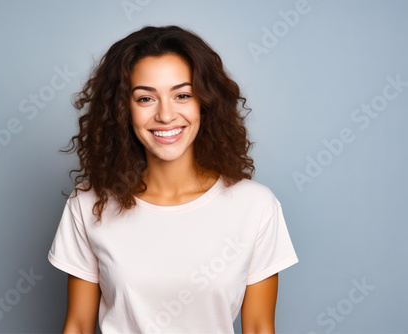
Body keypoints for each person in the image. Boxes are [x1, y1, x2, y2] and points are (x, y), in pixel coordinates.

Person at [48, 25, 298, 334]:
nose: (166, 115)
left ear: (205, 103)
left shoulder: (255, 206)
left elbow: (260, 328)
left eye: (182, 95)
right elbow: (78, 325)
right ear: (122, 110)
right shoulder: (89, 204)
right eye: (145, 99)